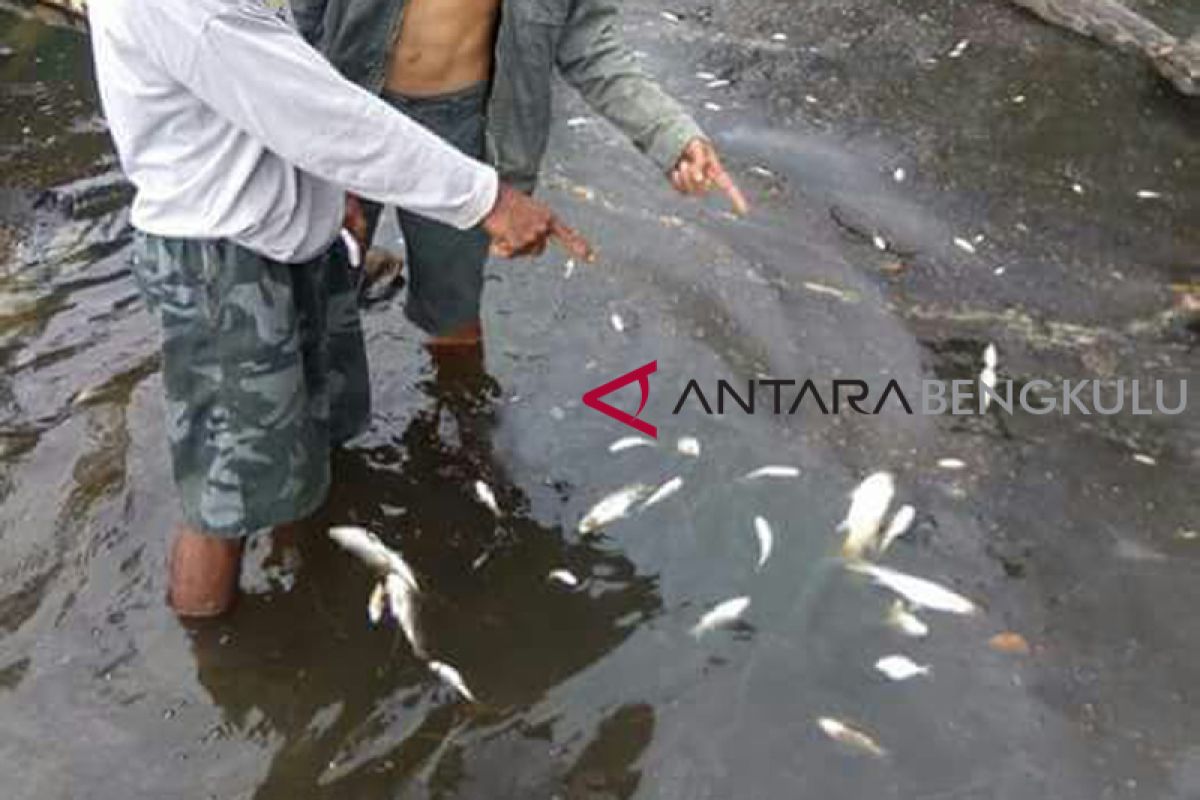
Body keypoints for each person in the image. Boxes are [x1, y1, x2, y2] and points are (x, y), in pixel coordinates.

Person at [87, 0, 591, 617]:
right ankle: (216, 654)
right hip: (223, 268)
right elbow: (317, 115)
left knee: (310, 437)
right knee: (227, 497)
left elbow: (288, 71)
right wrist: (489, 199)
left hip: (285, 235)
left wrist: (322, 194)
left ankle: (305, 574)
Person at [292, 0, 748, 353]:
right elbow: (296, 24)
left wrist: (673, 137)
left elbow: (591, 47)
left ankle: (459, 436)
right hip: (350, 108)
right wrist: (297, 133)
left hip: (463, 129)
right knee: (310, 292)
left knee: (454, 310)